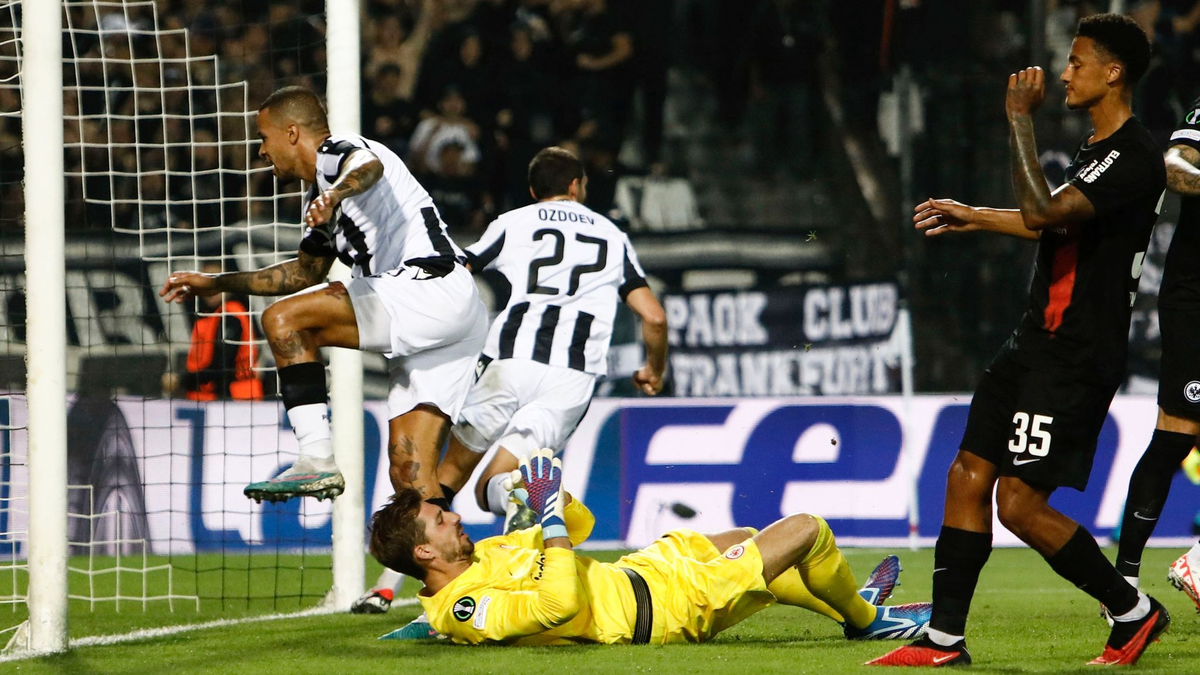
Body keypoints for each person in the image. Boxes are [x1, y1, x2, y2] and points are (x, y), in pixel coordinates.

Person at [870, 14, 1168, 668]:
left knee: (1019, 505)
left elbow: (1044, 212)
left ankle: (1132, 610)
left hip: (1074, 355)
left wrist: (1019, 119)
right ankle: (944, 639)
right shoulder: (1098, 151)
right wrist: (973, 214)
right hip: (1032, 342)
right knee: (966, 473)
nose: (1065, 72)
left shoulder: (1135, 154)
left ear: (1112, 72)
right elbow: (1053, 225)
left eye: (1077, 61)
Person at [353, 146, 668, 619]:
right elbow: (654, 316)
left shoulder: (514, 222)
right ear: (579, 185)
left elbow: (459, 271)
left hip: (508, 363)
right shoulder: (612, 235)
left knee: (448, 479)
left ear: (533, 190)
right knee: (500, 485)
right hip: (570, 377)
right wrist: (654, 369)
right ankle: (519, 506)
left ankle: (389, 590)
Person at [160, 86, 488, 505]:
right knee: (410, 473)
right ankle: (458, 565)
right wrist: (217, 283)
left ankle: (315, 455)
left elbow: (367, 167)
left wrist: (337, 195)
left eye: (264, 137)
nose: (261, 151)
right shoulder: (317, 200)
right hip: (449, 314)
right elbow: (302, 274)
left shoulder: (338, 154)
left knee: (282, 320)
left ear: (292, 133)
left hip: (427, 288)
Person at [368, 449, 932, 646]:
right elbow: (555, 605)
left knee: (742, 540)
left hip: (644, 570)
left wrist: (553, 494)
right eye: (442, 520)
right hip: (660, 609)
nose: (457, 515)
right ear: (423, 554)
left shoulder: (481, 557)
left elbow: (578, 529)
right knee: (807, 528)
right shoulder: (465, 608)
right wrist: (544, 517)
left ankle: (848, 600)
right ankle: (862, 618)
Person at [1110, 89, 1200, 615]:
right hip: (1195, 298)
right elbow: (1174, 165)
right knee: (1174, 436)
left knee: (1174, 437)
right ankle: (1123, 582)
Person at [161, 261, 264, 402]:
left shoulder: (230, 315)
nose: (210, 289)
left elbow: (222, 365)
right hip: (212, 398)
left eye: (216, 282)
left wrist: (182, 381)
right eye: (206, 282)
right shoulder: (211, 316)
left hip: (235, 399)